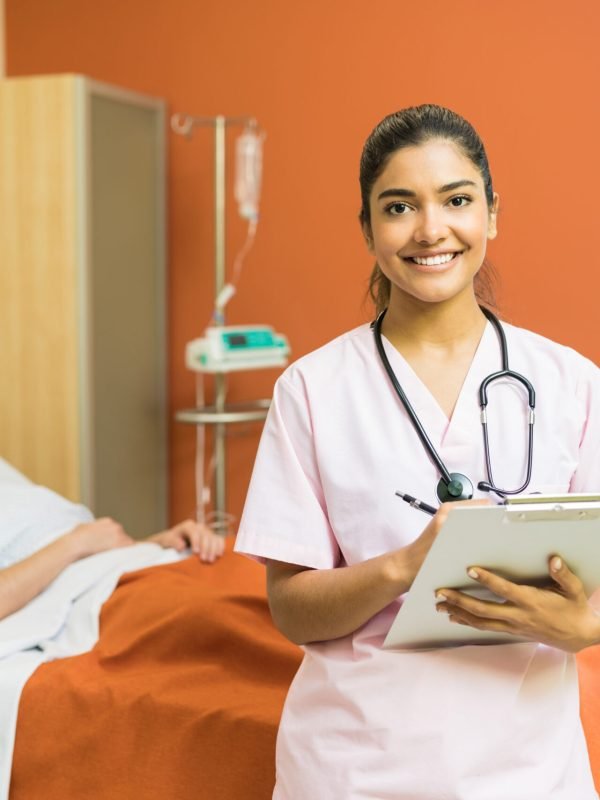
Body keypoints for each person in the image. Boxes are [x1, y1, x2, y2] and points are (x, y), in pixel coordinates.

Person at [234, 105, 600, 799]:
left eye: (457, 200)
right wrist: (406, 566)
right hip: (355, 767)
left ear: (491, 214)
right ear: (368, 228)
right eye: (399, 206)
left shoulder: (573, 384)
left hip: (529, 773)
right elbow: (291, 610)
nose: (431, 230)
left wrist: (583, 627)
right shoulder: (312, 389)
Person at [0, 481, 224, 621]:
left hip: (144, 561)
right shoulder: (75, 542)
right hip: (92, 591)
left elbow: (95, 546)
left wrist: (160, 541)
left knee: (246, 569)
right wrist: (76, 542)